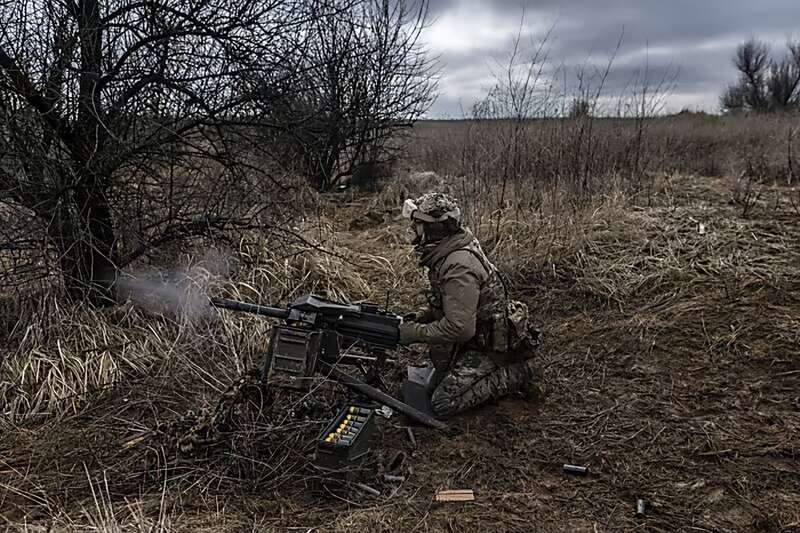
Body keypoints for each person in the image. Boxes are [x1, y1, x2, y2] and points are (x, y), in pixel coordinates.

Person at [398, 192, 540, 418]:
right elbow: (457, 302)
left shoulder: (458, 265)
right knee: (432, 382)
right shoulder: (449, 249)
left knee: (442, 402)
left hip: (489, 347)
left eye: (419, 223)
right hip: (476, 335)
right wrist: (424, 315)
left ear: (436, 229)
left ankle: (517, 372)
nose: (413, 228)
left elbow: (460, 328)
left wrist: (416, 333)